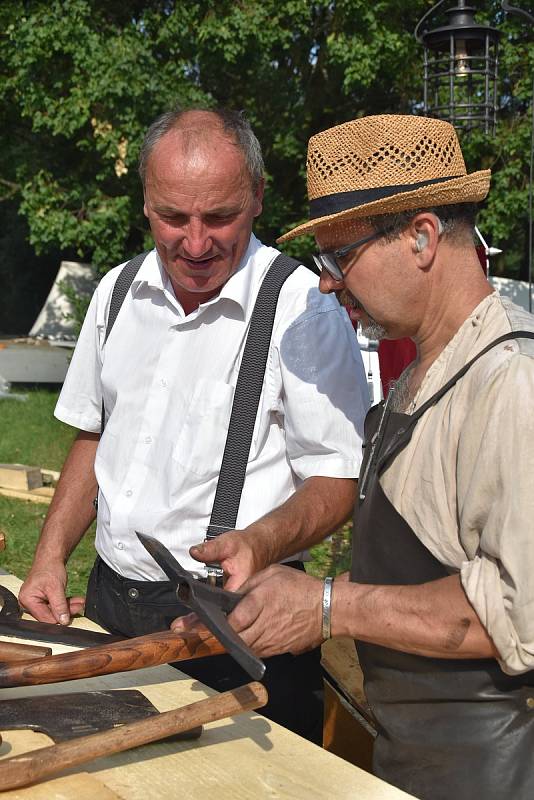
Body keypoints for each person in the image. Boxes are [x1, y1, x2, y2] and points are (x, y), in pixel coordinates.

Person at [188, 114, 534, 797]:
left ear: (422, 237)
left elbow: (519, 613)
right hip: (418, 759)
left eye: (338, 258)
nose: (326, 284)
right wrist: (270, 567)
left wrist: (324, 606)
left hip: (497, 771)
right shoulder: (424, 373)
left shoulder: (511, 380)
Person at [19, 108, 370, 743]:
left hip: (235, 624)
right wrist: (49, 559)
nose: (197, 242)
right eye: (174, 217)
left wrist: (257, 544)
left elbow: (336, 480)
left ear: (258, 197)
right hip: (107, 603)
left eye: (220, 217)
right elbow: (94, 436)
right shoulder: (116, 292)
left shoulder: (303, 308)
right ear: (147, 203)